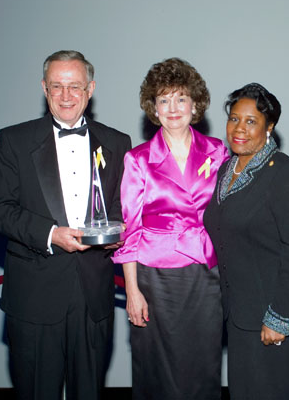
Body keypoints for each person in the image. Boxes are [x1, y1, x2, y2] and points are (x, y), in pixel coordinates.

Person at [0, 50, 132, 399]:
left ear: (90, 89)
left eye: (75, 87)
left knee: (89, 392)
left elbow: (119, 207)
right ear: (44, 89)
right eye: (57, 87)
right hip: (34, 296)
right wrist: (51, 234)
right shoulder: (14, 141)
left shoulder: (118, 142)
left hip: (93, 297)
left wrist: (116, 233)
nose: (66, 96)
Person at [112, 58, 229, 400]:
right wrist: (132, 292)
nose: (173, 107)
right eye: (164, 100)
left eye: (180, 98)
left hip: (206, 276)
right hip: (154, 278)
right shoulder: (137, 159)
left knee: (203, 364)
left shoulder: (218, 151)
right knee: (155, 366)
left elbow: (227, 217)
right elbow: (130, 231)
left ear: (196, 104)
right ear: (154, 108)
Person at [204, 83, 289, 399]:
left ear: (270, 128)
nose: (239, 129)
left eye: (251, 121)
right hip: (241, 314)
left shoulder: (283, 173)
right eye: (234, 119)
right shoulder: (226, 169)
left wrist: (279, 318)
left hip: (276, 315)